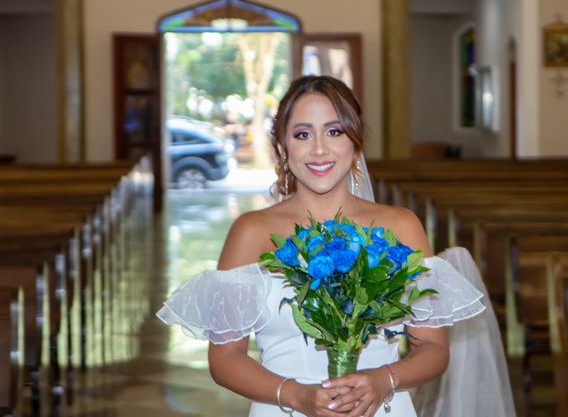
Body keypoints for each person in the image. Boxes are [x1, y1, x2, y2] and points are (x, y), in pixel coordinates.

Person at [157, 75, 500, 417]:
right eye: (302, 134)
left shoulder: (401, 227)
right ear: (282, 145)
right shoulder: (251, 233)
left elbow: (434, 347)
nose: (319, 149)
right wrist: (295, 396)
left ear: (355, 142)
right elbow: (224, 359)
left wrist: (383, 380)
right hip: (284, 409)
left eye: (334, 132)